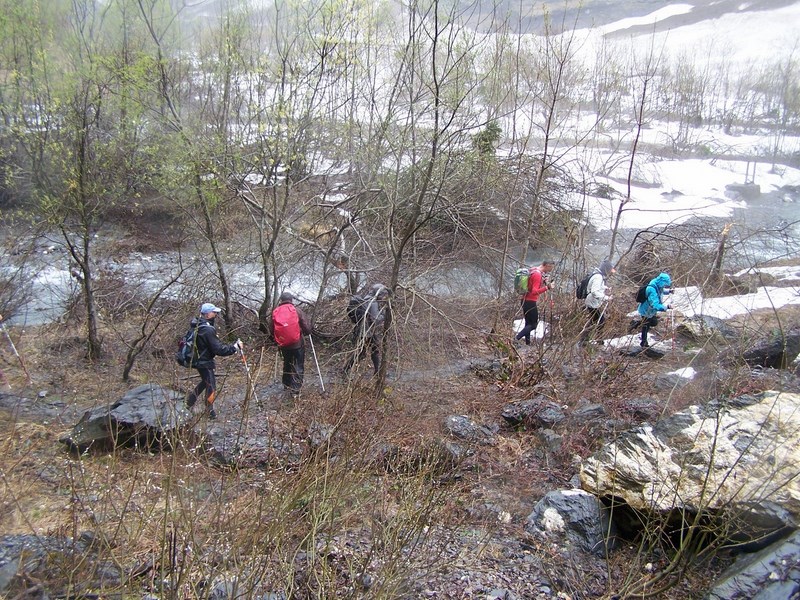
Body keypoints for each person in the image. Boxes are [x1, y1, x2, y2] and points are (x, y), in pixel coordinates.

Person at [185, 303, 241, 419]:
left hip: (197, 360)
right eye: (214, 312)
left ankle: (188, 404)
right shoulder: (207, 329)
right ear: (207, 314)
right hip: (204, 362)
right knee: (211, 385)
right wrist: (234, 348)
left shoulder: (196, 325)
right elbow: (218, 349)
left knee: (205, 382)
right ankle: (209, 412)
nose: (216, 314)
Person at [271, 291, 312, 396]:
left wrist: (275, 341)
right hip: (297, 344)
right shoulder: (297, 310)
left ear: (281, 300)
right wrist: (308, 332)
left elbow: (272, 329)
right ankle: (295, 389)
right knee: (298, 364)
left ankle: (286, 384)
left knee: (287, 363)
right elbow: (306, 326)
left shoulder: (275, 311)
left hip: (283, 344)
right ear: (291, 300)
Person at [344, 283, 390, 376]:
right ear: (378, 293)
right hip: (366, 331)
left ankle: (377, 371)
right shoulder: (372, 302)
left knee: (372, 350)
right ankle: (345, 370)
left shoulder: (367, 298)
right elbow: (375, 318)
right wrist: (385, 315)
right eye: (383, 294)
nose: (383, 297)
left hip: (365, 330)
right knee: (363, 352)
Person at [515, 260, 555, 345]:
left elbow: (531, 284)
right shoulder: (537, 274)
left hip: (524, 300)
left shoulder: (533, 270)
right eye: (551, 268)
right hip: (530, 301)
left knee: (528, 323)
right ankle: (516, 338)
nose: (551, 270)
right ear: (547, 266)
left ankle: (527, 343)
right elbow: (534, 291)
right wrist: (547, 287)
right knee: (533, 325)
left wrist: (543, 280)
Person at [581, 259, 616, 344]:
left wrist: (605, 288)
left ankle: (586, 339)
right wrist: (607, 298)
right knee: (600, 321)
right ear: (606, 269)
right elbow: (594, 291)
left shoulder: (597, 275)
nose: (610, 272)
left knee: (594, 320)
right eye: (609, 270)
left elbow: (597, 286)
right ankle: (593, 340)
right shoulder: (598, 277)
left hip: (593, 302)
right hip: (592, 303)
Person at [634, 272, 672, 348]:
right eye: (665, 284)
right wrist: (667, 307)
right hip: (646, 311)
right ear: (662, 281)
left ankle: (638, 323)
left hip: (651, 312)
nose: (665, 286)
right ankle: (644, 343)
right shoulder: (651, 289)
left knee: (654, 322)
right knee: (646, 327)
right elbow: (655, 305)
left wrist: (668, 291)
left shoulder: (656, 284)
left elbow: (660, 291)